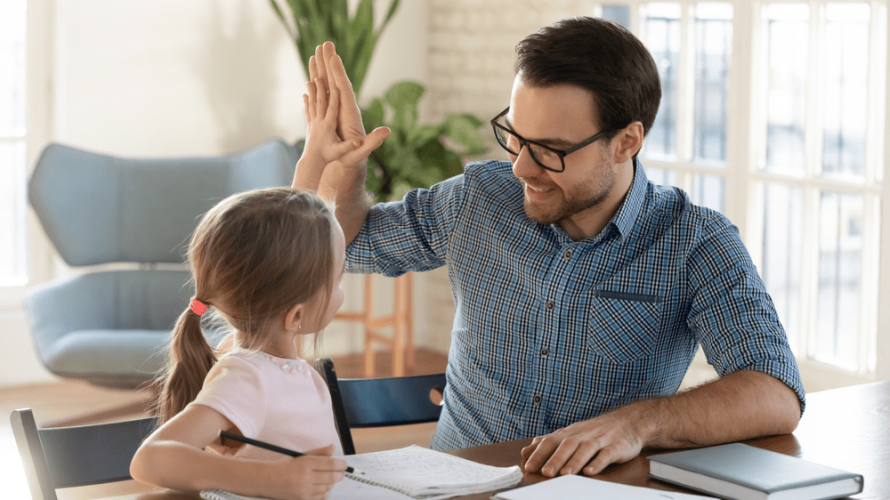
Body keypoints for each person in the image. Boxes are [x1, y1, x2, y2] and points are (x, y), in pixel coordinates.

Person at [300, 16, 805, 479]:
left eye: (550, 151)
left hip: (595, 490)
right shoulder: (479, 199)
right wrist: (346, 171)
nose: (521, 167)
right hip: (460, 487)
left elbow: (775, 394)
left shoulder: (695, 243)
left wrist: (636, 424)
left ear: (627, 141)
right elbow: (351, 245)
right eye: (516, 138)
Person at [130, 71, 388, 500]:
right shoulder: (245, 376)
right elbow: (151, 459)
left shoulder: (277, 363)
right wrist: (271, 481)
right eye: (338, 277)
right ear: (297, 315)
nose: (341, 288)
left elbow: (285, 255)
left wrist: (314, 160)